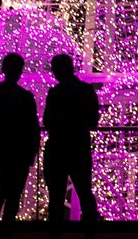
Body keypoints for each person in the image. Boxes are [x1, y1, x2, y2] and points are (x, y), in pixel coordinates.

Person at [0, 53, 40, 238]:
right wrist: (31, 151)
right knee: (13, 194)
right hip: (19, 153)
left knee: (0, 192)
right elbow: (33, 127)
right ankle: (6, 231)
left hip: (1, 152)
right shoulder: (25, 97)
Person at [42, 53, 100, 237]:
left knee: (56, 197)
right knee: (85, 192)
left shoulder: (55, 92)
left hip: (58, 149)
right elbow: (93, 121)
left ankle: (55, 234)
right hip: (79, 147)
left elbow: (47, 121)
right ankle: (90, 232)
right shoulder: (86, 90)